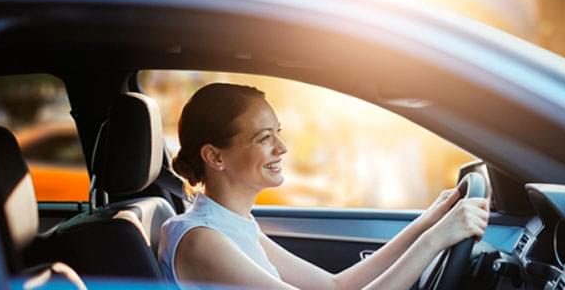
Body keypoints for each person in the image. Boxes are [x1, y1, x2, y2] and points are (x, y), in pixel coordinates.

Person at [158, 83, 489, 289]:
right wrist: (435, 241)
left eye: (278, 132)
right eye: (264, 138)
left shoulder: (231, 224)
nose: (282, 148)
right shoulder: (201, 241)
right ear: (216, 157)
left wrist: (426, 222)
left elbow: (333, 286)